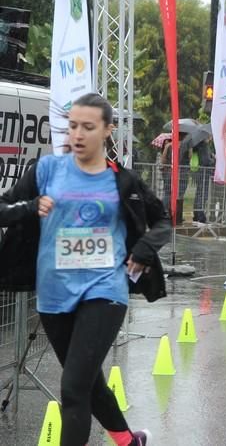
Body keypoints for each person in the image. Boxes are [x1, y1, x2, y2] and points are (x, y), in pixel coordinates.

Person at [0, 93, 170, 446]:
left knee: (73, 387)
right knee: (89, 383)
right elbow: (4, 207)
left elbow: (162, 221)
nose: (77, 134)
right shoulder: (46, 171)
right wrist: (30, 207)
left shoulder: (122, 181)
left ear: (107, 131)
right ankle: (128, 441)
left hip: (105, 291)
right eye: (73, 126)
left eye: (88, 127)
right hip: (53, 294)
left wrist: (141, 250)